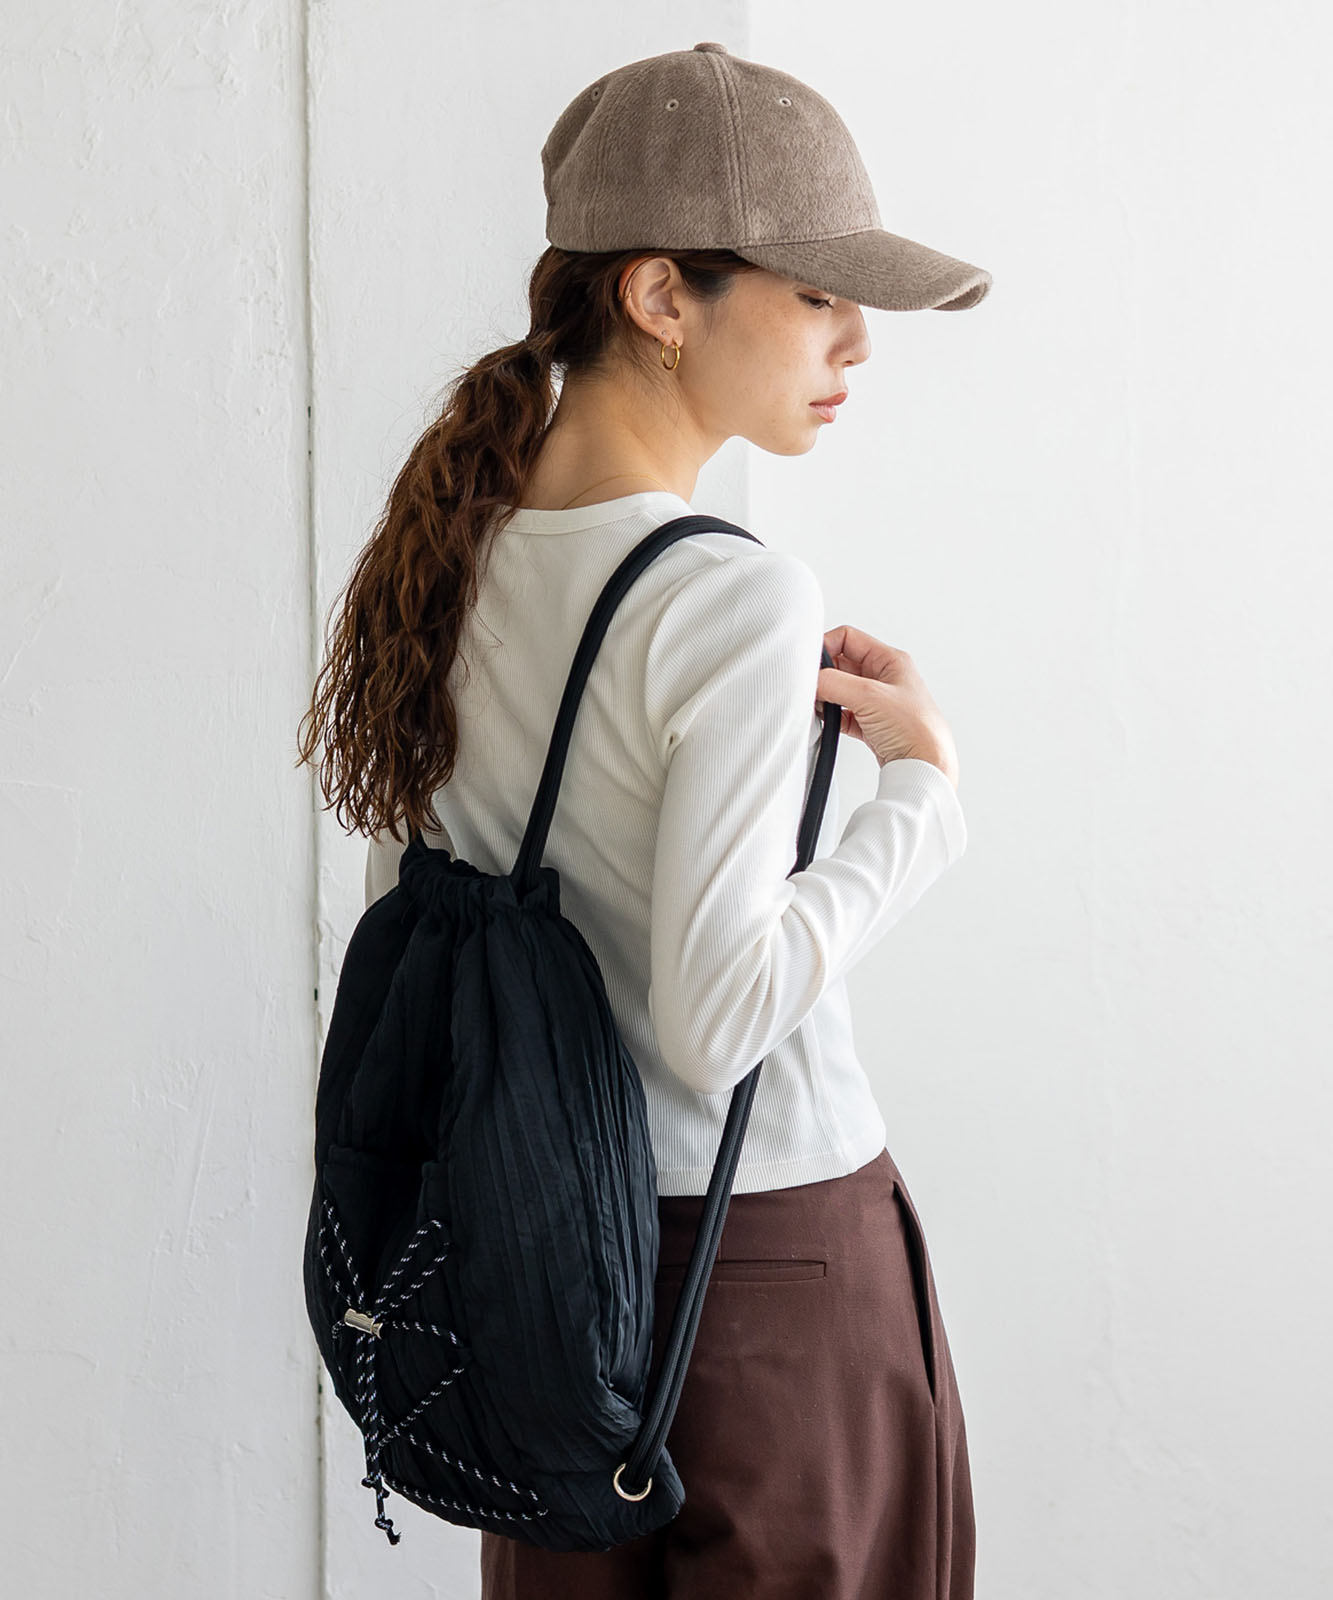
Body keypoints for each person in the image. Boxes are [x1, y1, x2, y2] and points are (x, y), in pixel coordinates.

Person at [298, 39, 990, 1600]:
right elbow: (715, 1018)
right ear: (661, 294)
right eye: (815, 293)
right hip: (767, 1265)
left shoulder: (447, 550)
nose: (855, 341)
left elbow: (411, 911)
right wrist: (921, 797)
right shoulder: (733, 596)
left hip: (538, 1269)